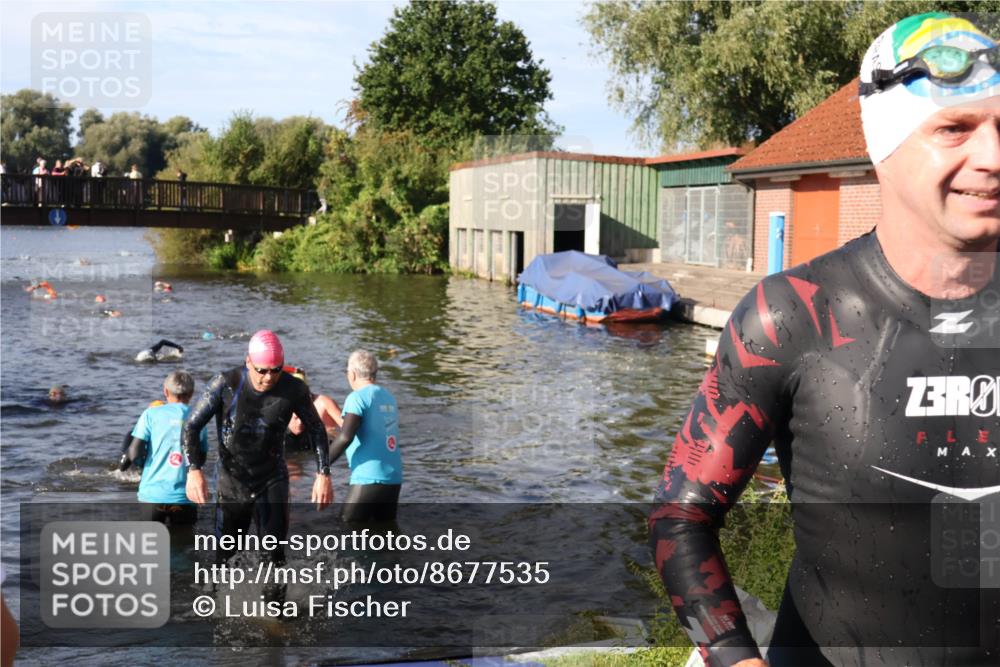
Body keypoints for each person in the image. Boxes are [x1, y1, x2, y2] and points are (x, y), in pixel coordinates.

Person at [649, 12, 1000, 667]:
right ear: (883, 149)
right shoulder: (790, 316)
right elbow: (681, 517)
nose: (993, 156)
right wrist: (733, 657)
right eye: (954, 129)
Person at [182, 330, 332, 565]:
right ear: (248, 361)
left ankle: (276, 602)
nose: (268, 377)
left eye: (276, 370)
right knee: (226, 559)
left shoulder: (293, 389)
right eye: (261, 370)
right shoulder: (226, 383)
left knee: (274, 557)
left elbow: (316, 429)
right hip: (232, 480)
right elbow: (191, 426)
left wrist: (323, 474)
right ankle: (223, 601)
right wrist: (194, 470)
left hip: (272, 479)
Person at [120, 372, 207, 524]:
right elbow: (201, 458)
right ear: (192, 393)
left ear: (165, 391)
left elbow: (133, 453)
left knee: (150, 544)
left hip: (153, 495)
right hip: (185, 496)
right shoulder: (198, 416)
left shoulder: (150, 414)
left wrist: (144, 465)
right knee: (183, 543)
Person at [327, 350, 401, 522]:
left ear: (351, 374)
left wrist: (323, 463)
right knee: (384, 535)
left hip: (368, 477)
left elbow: (346, 436)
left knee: (346, 531)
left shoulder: (356, 398)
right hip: (394, 478)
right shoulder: (389, 397)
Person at [285, 368, 343, 450]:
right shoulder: (288, 405)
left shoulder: (323, 402)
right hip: (306, 445)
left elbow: (346, 428)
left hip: (330, 442)